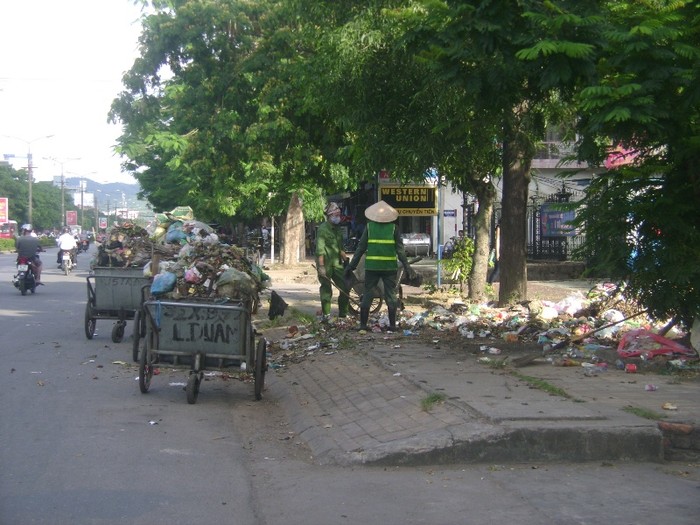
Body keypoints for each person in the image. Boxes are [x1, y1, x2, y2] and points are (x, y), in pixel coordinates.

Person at [344, 200, 417, 331]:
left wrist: (351, 266)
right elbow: (400, 250)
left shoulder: (369, 228)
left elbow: (360, 249)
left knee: (368, 294)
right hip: (389, 267)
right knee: (390, 295)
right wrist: (407, 266)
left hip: (372, 267)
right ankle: (393, 325)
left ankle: (363, 325)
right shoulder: (394, 228)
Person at [315, 202, 350, 323]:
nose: (338, 217)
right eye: (336, 214)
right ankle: (326, 315)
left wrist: (345, 258)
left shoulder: (338, 229)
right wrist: (321, 267)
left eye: (339, 214)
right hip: (326, 264)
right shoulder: (323, 229)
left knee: (345, 288)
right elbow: (320, 250)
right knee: (326, 290)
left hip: (337, 264)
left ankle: (343, 315)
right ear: (330, 215)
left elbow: (339, 247)